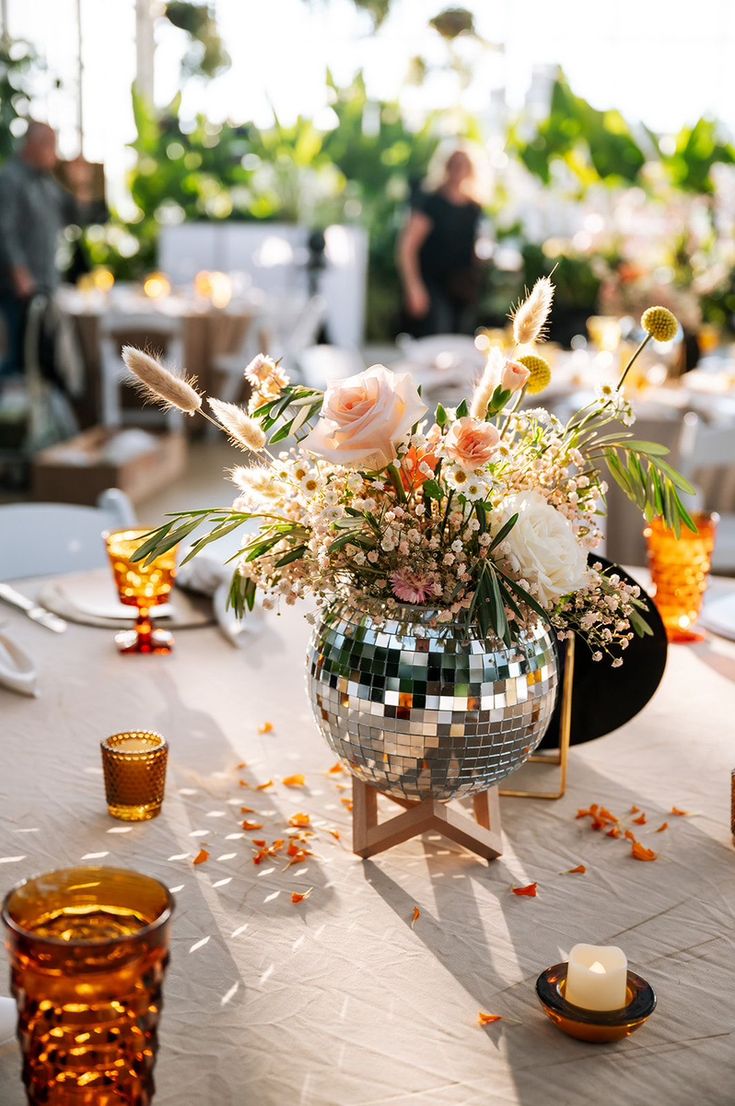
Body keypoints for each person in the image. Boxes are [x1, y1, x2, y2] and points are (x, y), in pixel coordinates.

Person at [0, 121, 103, 379]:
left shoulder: (47, 184)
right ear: (35, 145)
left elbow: (79, 217)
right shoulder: (10, 179)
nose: (55, 155)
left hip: (46, 285)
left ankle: (40, 415)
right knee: (18, 359)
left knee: (43, 360)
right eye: (52, 147)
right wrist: (19, 273)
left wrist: (81, 184)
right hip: (19, 289)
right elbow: (5, 230)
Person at [398, 145, 486, 337]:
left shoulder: (474, 208)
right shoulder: (431, 203)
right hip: (433, 286)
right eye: (454, 164)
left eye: (463, 164)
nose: (458, 169)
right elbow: (407, 247)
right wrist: (414, 288)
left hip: (462, 289)